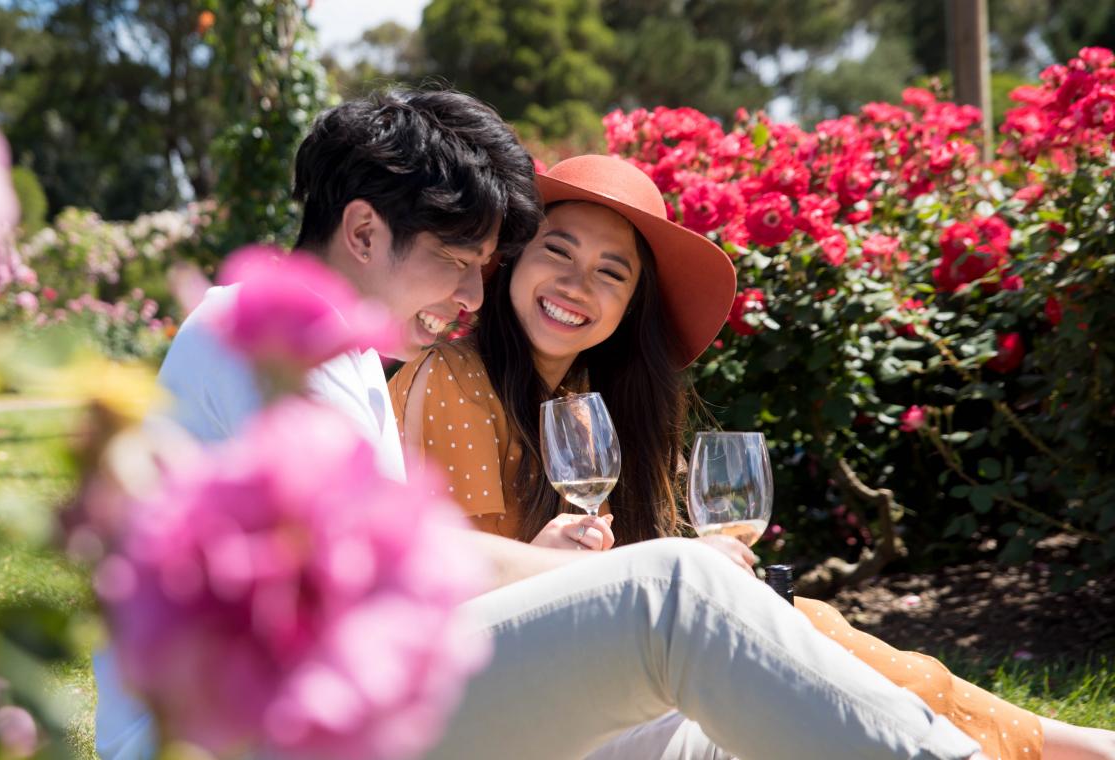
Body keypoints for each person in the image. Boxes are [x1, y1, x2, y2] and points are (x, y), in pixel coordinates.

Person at [95, 89, 990, 760]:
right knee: (675, 592)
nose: (472, 297)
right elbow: (383, 565)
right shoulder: (260, 333)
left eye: (485, 266)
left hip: (347, 715)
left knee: (692, 726)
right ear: (363, 232)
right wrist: (577, 571)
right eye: (454, 261)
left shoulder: (341, 358)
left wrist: (545, 575)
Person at [391, 154, 1115, 760]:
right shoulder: (459, 380)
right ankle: (1064, 747)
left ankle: (1062, 744)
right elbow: (452, 587)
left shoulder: (577, 396)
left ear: (630, 308)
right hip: (461, 699)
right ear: (512, 258)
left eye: (612, 273)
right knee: (798, 634)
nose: (579, 285)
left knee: (805, 623)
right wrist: (570, 563)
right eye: (558, 250)